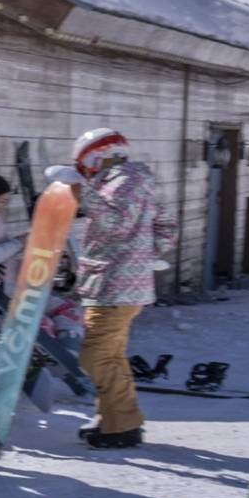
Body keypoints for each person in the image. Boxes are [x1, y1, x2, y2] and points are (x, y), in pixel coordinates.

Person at [69, 126, 171, 450]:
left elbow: (115, 222)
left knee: (95, 356)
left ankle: (122, 425)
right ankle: (116, 421)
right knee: (111, 356)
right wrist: (145, 256)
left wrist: (79, 193)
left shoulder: (124, 181)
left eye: (86, 167)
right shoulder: (138, 181)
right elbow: (166, 228)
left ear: (99, 156)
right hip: (120, 284)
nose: (87, 174)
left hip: (114, 287)